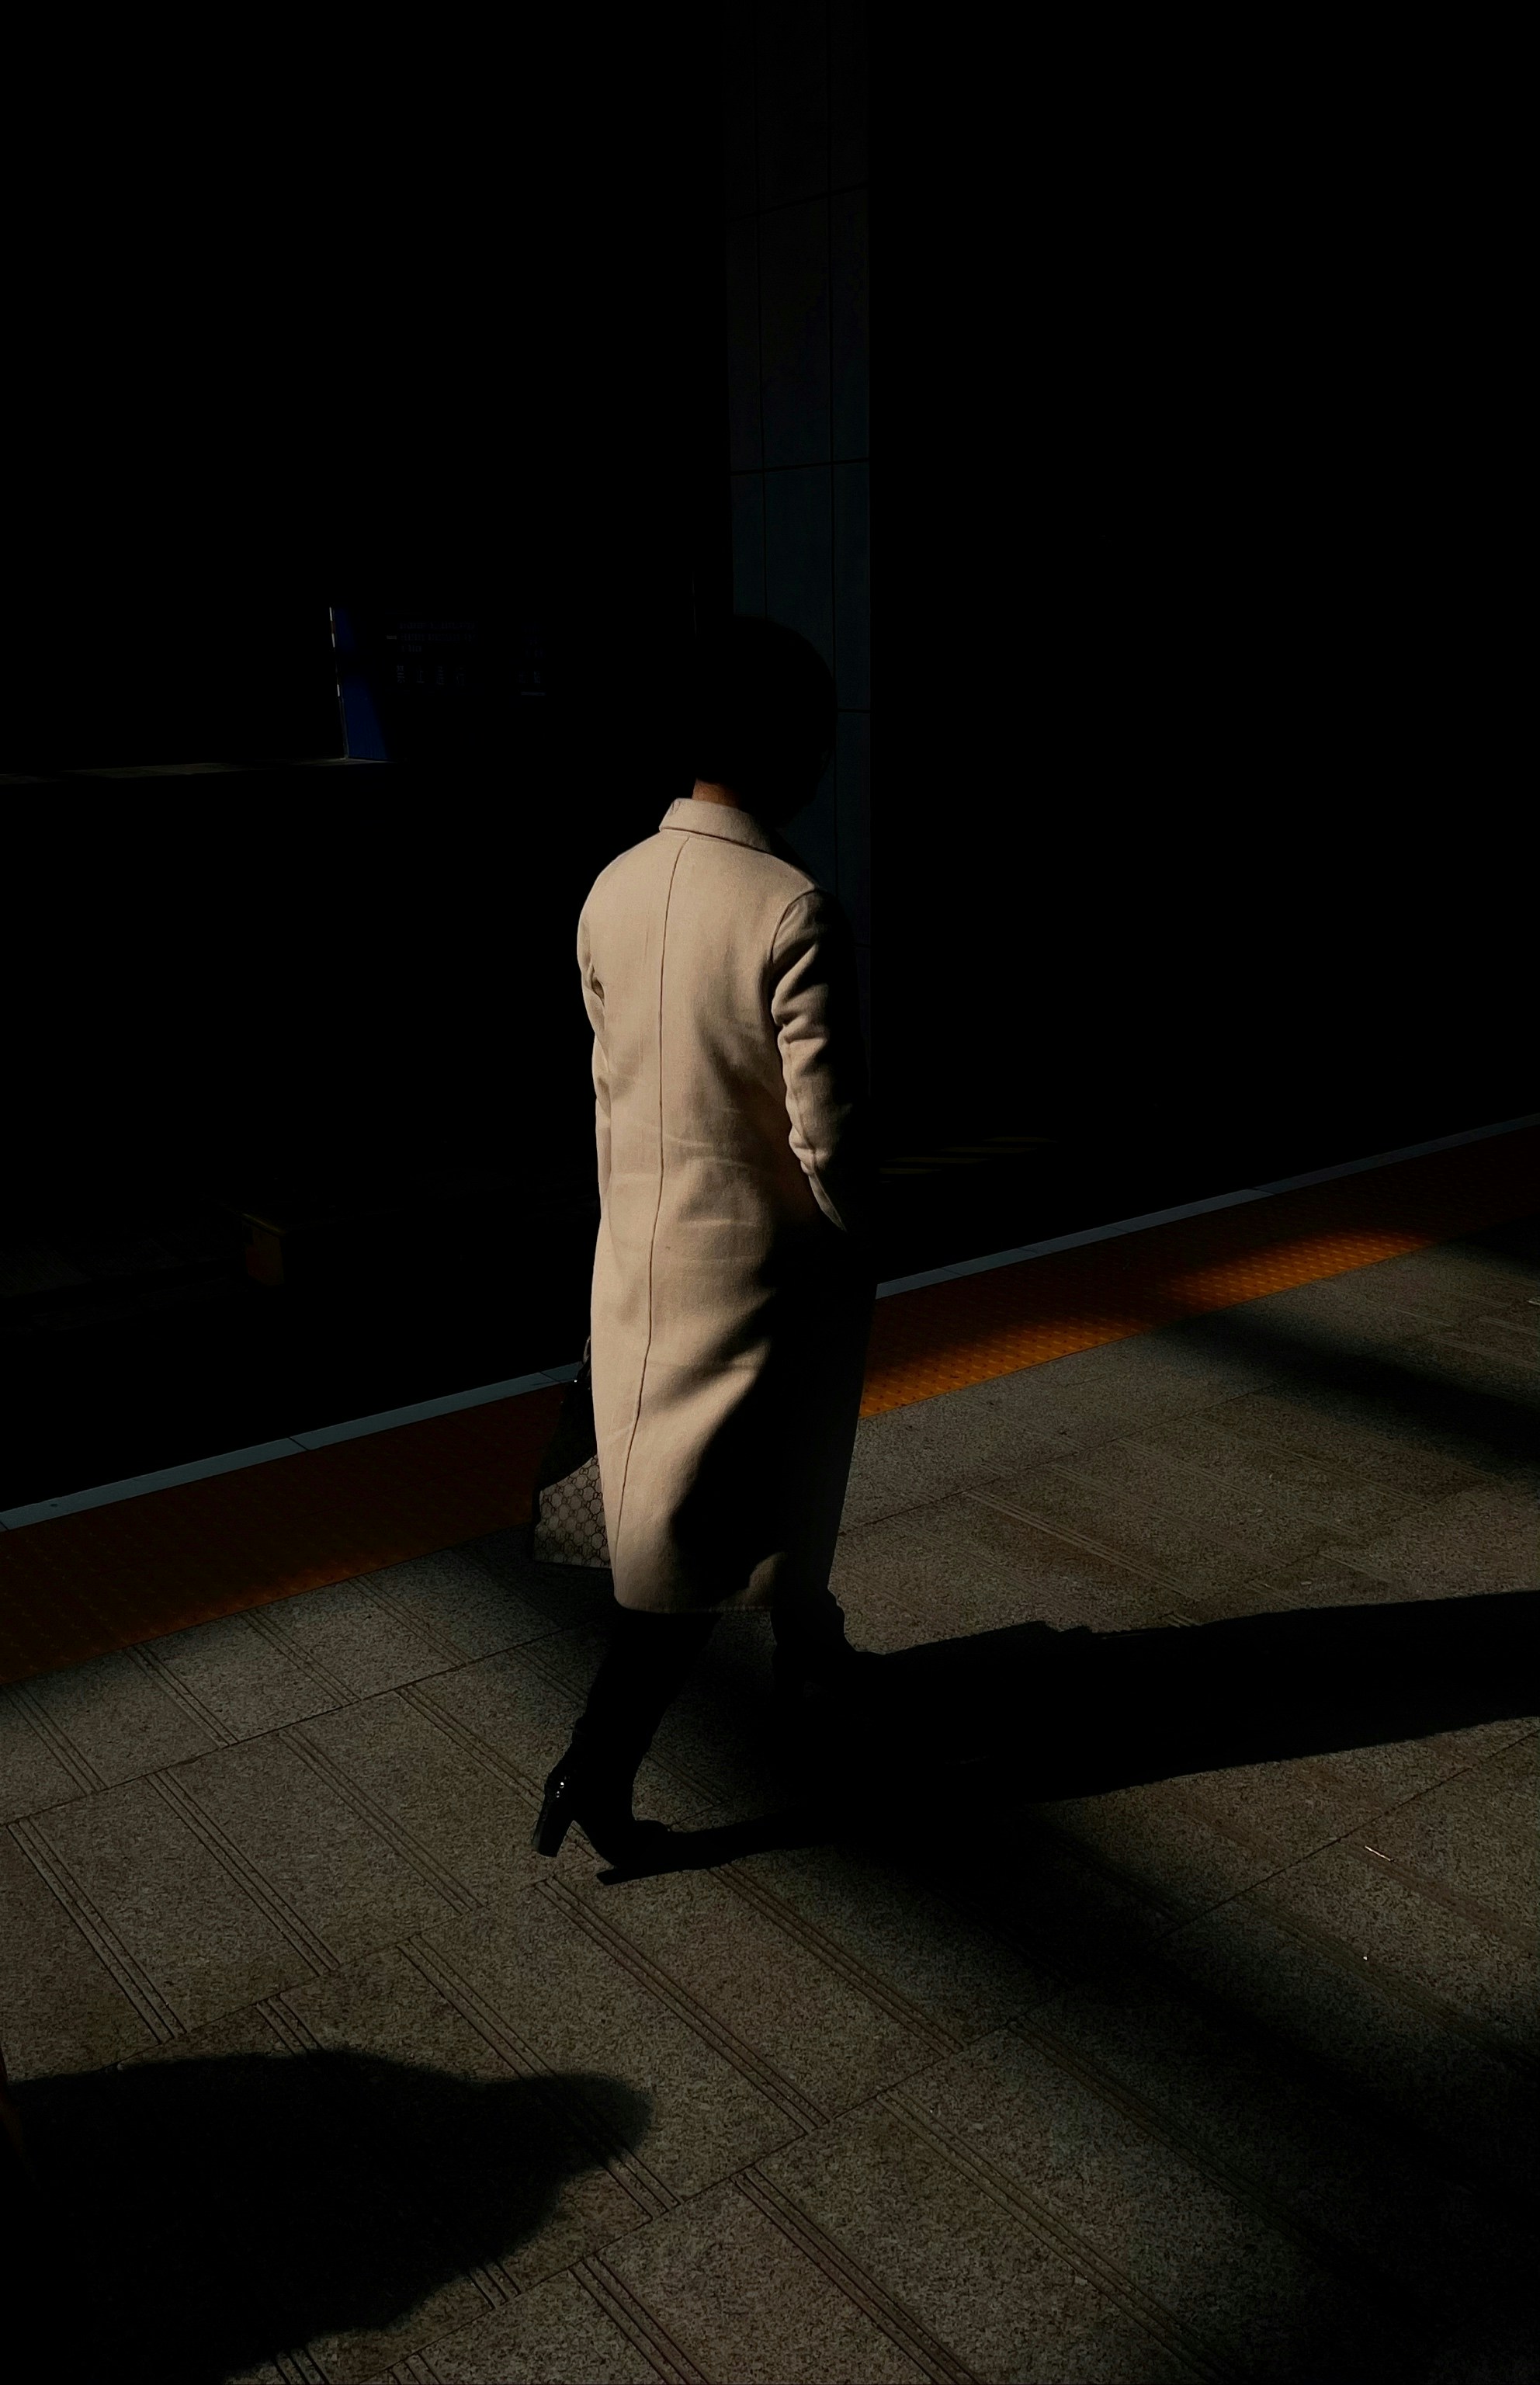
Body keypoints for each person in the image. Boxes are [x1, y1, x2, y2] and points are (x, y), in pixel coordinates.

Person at [534, 616, 874, 1867]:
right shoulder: (794, 909)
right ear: (789, 748)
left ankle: (814, 1651)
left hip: (641, 1261)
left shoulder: (611, 887)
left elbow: (609, 1090)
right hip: (762, 1286)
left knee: (693, 1506)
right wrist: (865, 1243)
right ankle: (595, 1767)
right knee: (695, 1554)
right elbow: (829, 1141)